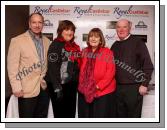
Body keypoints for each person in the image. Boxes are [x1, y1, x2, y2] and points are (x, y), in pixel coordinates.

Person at [7, 13, 50, 118]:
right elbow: (12, 67)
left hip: (43, 88)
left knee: (41, 118)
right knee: (26, 119)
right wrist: (16, 87)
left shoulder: (47, 41)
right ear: (29, 24)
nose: (37, 25)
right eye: (34, 22)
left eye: (40, 22)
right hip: (26, 89)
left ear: (43, 24)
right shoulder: (17, 41)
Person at [111, 19, 154, 118]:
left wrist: (144, 84)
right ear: (116, 29)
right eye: (118, 27)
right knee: (119, 117)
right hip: (117, 88)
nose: (121, 29)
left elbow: (148, 65)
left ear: (130, 28)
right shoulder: (114, 45)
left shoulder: (138, 42)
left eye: (124, 27)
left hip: (134, 88)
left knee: (133, 118)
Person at [44, 20, 80, 118]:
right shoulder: (55, 45)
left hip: (70, 85)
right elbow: (52, 68)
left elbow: (75, 66)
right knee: (61, 114)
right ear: (60, 31)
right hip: (58, 85)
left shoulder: (74, 46)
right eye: (67, 29)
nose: (70, 32)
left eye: (72, 30)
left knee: (70, 113)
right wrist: (57, 87)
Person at [78, 28, 116, 118]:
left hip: (102, 92)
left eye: (96, 36)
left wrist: (98, 86)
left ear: (100, 39)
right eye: (91, 36)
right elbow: (80, 70)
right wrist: (83, 85)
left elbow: (110, 72)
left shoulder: (107, 52)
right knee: (86, 117)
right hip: (85, 91)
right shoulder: (84, 51)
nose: (93, 39)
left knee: (100, 117)